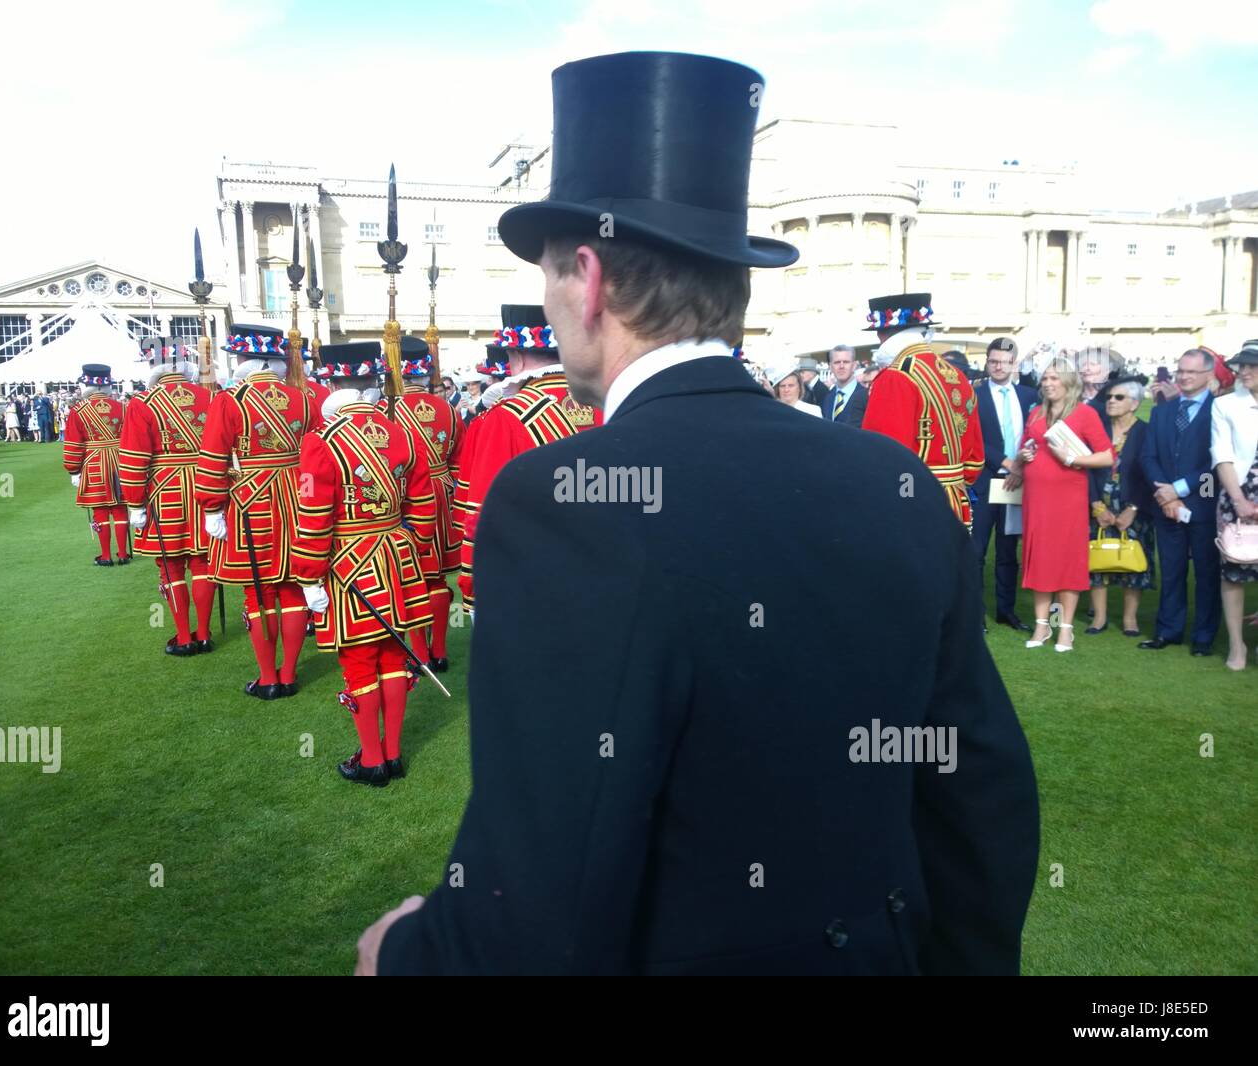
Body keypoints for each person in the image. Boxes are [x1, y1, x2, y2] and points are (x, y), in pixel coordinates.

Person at [363, 50, 1038, 977]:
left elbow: (548, 871)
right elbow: (975, 789)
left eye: (552, 277)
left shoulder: (558, 500)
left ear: (589, 279)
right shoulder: (897, 481)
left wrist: (403, 955)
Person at [294, 342, 438, 785]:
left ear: (334, 383)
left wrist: (308, 575)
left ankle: (373, 760)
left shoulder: (320, 441)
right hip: (398, 556)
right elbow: (424, 502)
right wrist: (409, 541)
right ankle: (393, 754)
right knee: (395, 655)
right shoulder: (403, 433)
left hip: (348, 560)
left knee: (359, 663)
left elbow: (313, 515)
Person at [194, 324, 318, 700]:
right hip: (298, 495)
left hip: (253, 501)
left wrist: (211, 506)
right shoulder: (305, 398)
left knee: (258, 592)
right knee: (295, 589)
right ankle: (289, 672)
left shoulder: (229, 401)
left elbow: (214, 458)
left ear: (244, 359)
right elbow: (315, 458)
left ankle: (268, 677)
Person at [451, 304, 599, 611]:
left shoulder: (504, 418)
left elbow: (483, 513)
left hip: (536, 581)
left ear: (516, 356)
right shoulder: (608, 403)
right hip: (606, 572)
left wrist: (473, 583)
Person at [119, 341, 218, 656]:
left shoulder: (142, 403)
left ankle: (183, 636)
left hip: (166, 490)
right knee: (203, 560)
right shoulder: (211, 396)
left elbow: (135, 458)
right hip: (205, 485)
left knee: (171, 566)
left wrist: (134, 502)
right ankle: (203, 633)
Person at [1008, 358, 1113, 652]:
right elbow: (1026, 446)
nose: (1048, 383)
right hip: (1036, 499)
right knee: (1040, 558)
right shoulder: (1036, 414)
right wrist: (1023, 457)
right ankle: (1042, 626)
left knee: (1067, 560)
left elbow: (1106, 457)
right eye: (1045, 379)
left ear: (1069, 382)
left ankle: (1065, 628)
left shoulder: (1085, 414)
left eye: (1055, 378)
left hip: (1068, 500)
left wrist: (1072, 459)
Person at [860, 293, 985, 530]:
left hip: (917, 504)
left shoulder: (895, 377)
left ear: (884, 333)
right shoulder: (956, 375)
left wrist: (904, 501)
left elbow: (888, 457)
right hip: (957, 502)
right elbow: (975, 457)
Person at [379, 335, 464, 671]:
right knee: (440, 579)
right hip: (443, 494)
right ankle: (439, 650)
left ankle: (418, 653)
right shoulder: (448, 409)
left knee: (411, 579)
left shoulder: (385, 412)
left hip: (408, 501)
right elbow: (458, 460)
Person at [1138, 349, 1221, 656]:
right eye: (1180, 371)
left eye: (1191, 372)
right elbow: (1148, 456)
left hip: (1206, 499)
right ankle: (1168, 630)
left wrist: (1179, 489)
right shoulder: (1162, 411)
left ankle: (1203, 636)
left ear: (1208, 375)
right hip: (1165, 503)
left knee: (1206, 572)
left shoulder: (1220, 410)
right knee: (1171, 570)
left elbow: (1218, 463)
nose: (1184, 377)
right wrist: (1164, 493)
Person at [971, 337, 1038, 631]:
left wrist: (1020, 467)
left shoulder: (1028, 395)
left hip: (1018, 483)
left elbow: (1036, 434)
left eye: (1005, 362)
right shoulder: (974, 395)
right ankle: (974, 614)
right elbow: (972, 439)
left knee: (1009, 552)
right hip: (986, 482)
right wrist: (1007, 463)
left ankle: (1006, 610)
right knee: (976, 552)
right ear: (987, 362)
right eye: (994, 361)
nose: (999, 367)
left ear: (1015, 364)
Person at [1087, 379, 1155, 636]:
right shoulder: (1097, 429)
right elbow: (1087, 471)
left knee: (1133, 559)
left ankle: (1130, 619)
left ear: (1135, 404)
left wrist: (1134, 508)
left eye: (1118, 397)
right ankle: (1099, 618)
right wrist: (1095, 506)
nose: (1111, 401)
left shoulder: (1146, 432)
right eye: (1109, 397)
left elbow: (1148, 473)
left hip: (1133, 505)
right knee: (1098, 557)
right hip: (1099, 505)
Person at [1210, 345, 1258, 670]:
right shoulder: (1225, 404)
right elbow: (1221, 454)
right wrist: (1240, 501)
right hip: (1237, 492)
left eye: (1252, 366)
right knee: (1234, 571)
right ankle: (1236, 645)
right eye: (1241, 365)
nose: (1244, 371)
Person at [63, 365, 131, 566]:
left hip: (94, 463)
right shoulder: (122, 407)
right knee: (120, 509)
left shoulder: (78, 410)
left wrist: (73, 469)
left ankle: (105, 555)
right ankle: (123, 553)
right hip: (120, 461)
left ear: (86, 383)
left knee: (100, 511)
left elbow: (74, 444)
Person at [823, 344, 868, 427]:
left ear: (854, 365)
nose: (841, 366)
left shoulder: (867, 396)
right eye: (837, 362)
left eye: (846, 362)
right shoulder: (827, 397)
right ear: (830, 367)